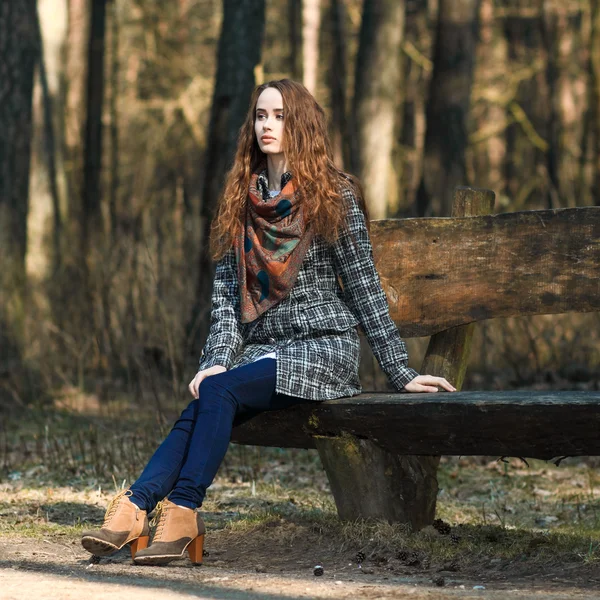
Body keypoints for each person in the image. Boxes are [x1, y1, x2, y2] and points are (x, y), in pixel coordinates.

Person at [80, 79, 456, 567]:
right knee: (208, 394)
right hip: (263, 354)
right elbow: (225, 305)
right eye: (260, 115)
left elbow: (364, 287)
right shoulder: (242, 202)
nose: (267, 125)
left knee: (218, 393)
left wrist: (400, 370)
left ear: (300, 124)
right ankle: (135, 510)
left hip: (323, 350)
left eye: (279, 116)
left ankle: (182, 510)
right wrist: (215, 361)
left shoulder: (332, 196)